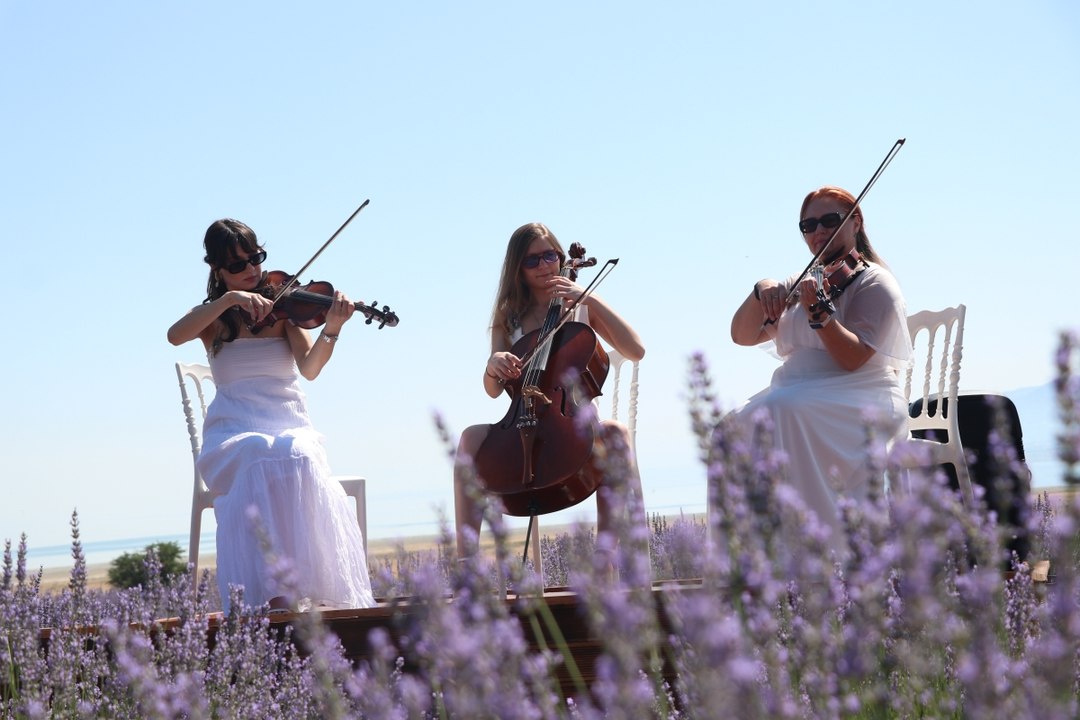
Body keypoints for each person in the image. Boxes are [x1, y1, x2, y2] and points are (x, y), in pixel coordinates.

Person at [167, 218, 374, 612]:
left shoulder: (286, 310)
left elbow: (310, 369)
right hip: (233, 431)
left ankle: (310, 590)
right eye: (237, 266)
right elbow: (174, 336)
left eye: (256, 258)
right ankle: (273, 595)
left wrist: (332, 327)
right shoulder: (213, 318)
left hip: (288, 423)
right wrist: (229, 301)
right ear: (217, 270)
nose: (251, 271)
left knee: (294, 452)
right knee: (257, 452)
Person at [453, 222, 646, 563]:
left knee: (616, 432)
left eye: (550, 256)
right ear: (518, 270)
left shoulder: (581, 307)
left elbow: (635, 350)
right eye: (532, 261)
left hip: (579, 431)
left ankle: (605, 558)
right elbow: (494, 391)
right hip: (522, 428)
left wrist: (593, 301)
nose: (544, 266)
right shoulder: (508, 319)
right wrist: (493, 364)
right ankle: (466, 564)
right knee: (469, 438)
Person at [729, 186, 911, 542]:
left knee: (783, 410)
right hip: (799, 392)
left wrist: (821, 316)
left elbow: (852, 359)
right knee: (728, 430)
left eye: (830, 221)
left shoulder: (874, 282)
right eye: (808, 226)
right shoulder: (801, 284)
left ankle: (820, 550)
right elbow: (741, 335)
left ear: (854, 222)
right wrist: (761, 288)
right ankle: (755, 557)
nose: (818, 232)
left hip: (860, 394)